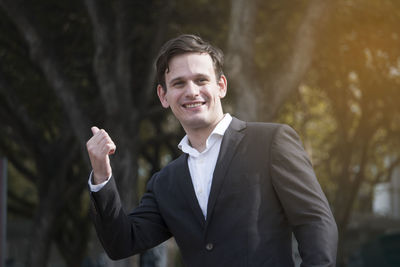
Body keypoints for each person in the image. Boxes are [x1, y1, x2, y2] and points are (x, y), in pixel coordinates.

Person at [86, 34, 338, 267]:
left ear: (221, 86)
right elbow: (121, 243)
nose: (192, 91)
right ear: (164, 96)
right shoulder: (165, 183)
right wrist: (101, 176)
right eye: (178, 83)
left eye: (201, 80)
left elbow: (315, 221)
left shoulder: (271, 142)